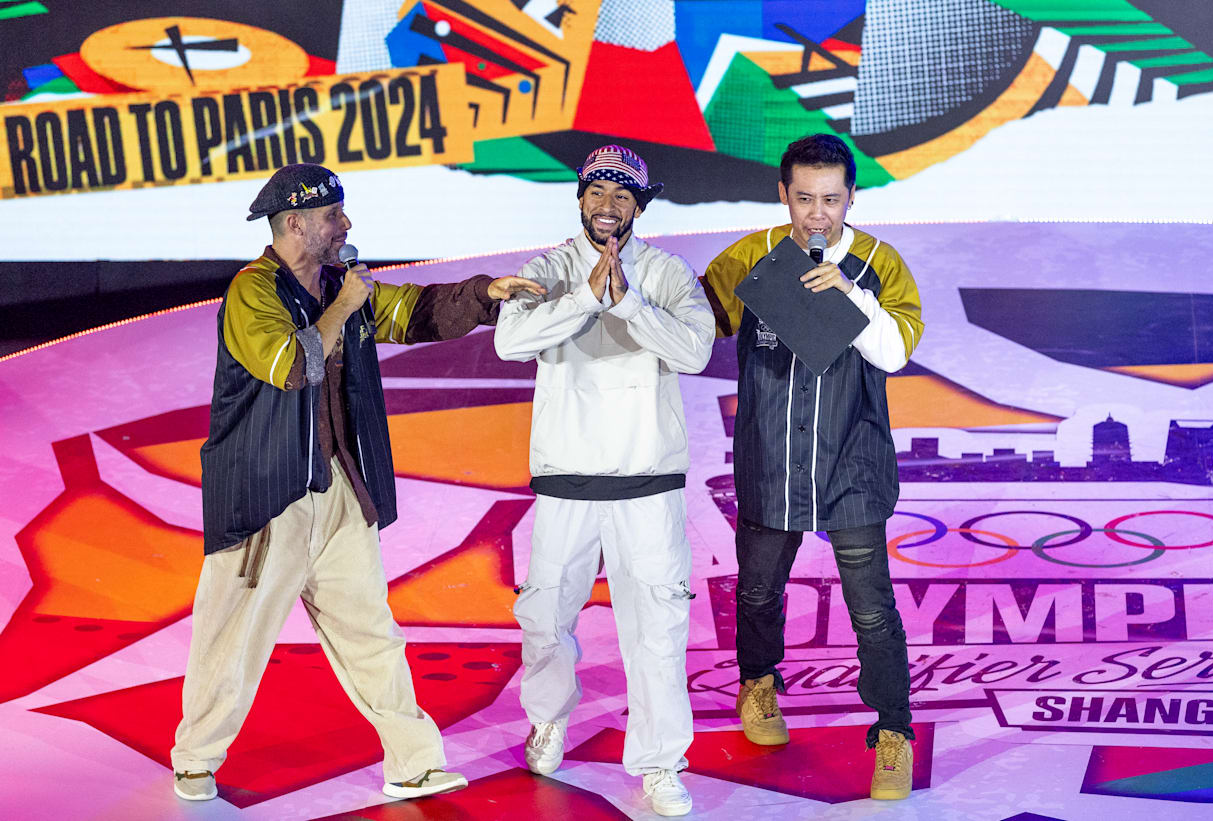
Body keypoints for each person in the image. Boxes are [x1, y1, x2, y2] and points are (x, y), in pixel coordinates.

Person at [171, 163, 544, 802]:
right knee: (233, 638)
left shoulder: (341, 283)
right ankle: (196, 758)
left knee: (372, 632)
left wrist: (487, 293)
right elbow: (293, 365)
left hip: (339, 487)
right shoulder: (251, 292)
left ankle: (413, 761)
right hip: (268, 497)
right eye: (332, 216)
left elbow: (415, 310)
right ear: (295, 224)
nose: (346, 224)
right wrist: (344, 306)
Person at [700, 134, 925, 801]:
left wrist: (849, 295)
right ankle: (758, 683)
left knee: (872, 610)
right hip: (771, 460)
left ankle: (894, 730)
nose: (817, 214)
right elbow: (693, 326)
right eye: (804, 199)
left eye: (831, 199)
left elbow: (896, 353)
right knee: (758, 591)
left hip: (852, 463)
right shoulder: (750, 257)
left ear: (852, 197)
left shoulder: (881, 265)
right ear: (783, 194)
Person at [494, 145, 713, 817]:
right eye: (597, 191)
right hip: (565, 479)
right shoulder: (549, 269)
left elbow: (695, 351)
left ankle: (660, 760)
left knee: (658, 629)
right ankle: (548, 719)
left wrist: (629, 305)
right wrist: (589, 296)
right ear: (580, 198)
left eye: (622, 194)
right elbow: (510, 342)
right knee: (545, 618)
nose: (607, 205)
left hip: (647, 482)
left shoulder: (667, 273)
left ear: (640, 205)